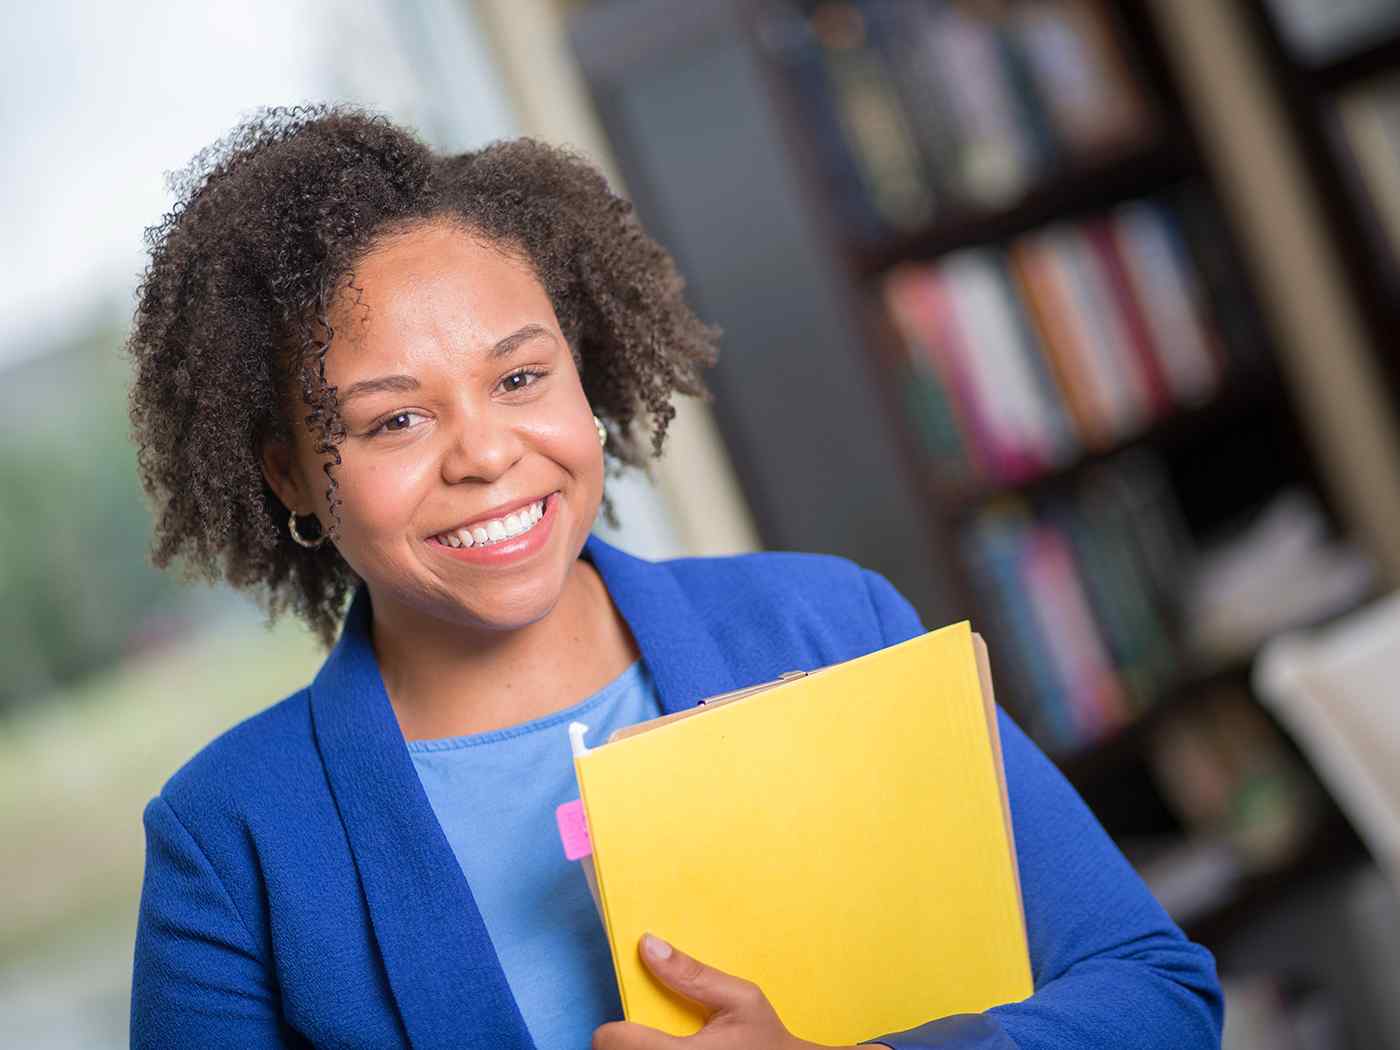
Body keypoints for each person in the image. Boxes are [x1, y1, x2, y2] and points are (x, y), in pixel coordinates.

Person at [126, 104, 1222, 1050]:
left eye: (519, 376)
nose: (486, 452)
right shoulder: (230, 845)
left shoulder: (828, 623)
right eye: (396, 418)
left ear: (582, 370)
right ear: (292, 476)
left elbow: (1155, 995)